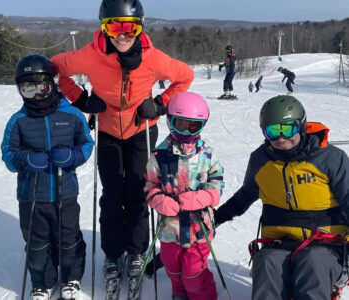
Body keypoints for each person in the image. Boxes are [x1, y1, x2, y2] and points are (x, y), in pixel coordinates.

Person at [51, 0, 194, 296]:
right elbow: (56, 68)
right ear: (104, 28)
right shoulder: (90, 55)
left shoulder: (153, 58)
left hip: (141, 130)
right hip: (107, 133)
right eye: (114, 27)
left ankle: (136, 249)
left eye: (130, 27)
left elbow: (185, 76)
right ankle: (113, 253)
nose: (122, 35)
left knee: (140, 192)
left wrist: (159, 104)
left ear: (139, 27)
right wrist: (81, 100)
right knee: (113, 194)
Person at [215, 95, 349, 300]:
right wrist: (215, 219)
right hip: (279, 242)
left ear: (301, 126)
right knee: (266, 262)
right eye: (272, 131)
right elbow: (245, 196)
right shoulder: (260, 159)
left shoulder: (330, 158)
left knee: (312, 262)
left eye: (287, 129)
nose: (280, 138)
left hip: (326, 243)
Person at [1, 55, 94, 300]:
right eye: (27, 89)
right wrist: (25, 160)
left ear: (52, 84)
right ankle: (43, 281)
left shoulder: (72, 114)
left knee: (68, 236)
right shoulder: (18, 120)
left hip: (66, 191)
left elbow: (86, 144)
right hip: (32, 195)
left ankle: (71, 277)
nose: (36, 94)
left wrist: (72, 156)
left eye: (41, 86)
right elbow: (8, 155)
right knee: (36, 242)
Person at [145, 92, 224, 300]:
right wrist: (158, 199)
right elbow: (150, 184)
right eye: (181, 124)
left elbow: (218, 181)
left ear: (202, 125)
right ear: (170, 121)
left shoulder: (207, 154)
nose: (187, 131)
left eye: (193, 126)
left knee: (193, 270)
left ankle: (203, 296)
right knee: (171, 265)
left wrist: (205, 196)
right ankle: (179, 293)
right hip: (170, 227)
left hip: (199, 227)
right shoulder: (159, 155)